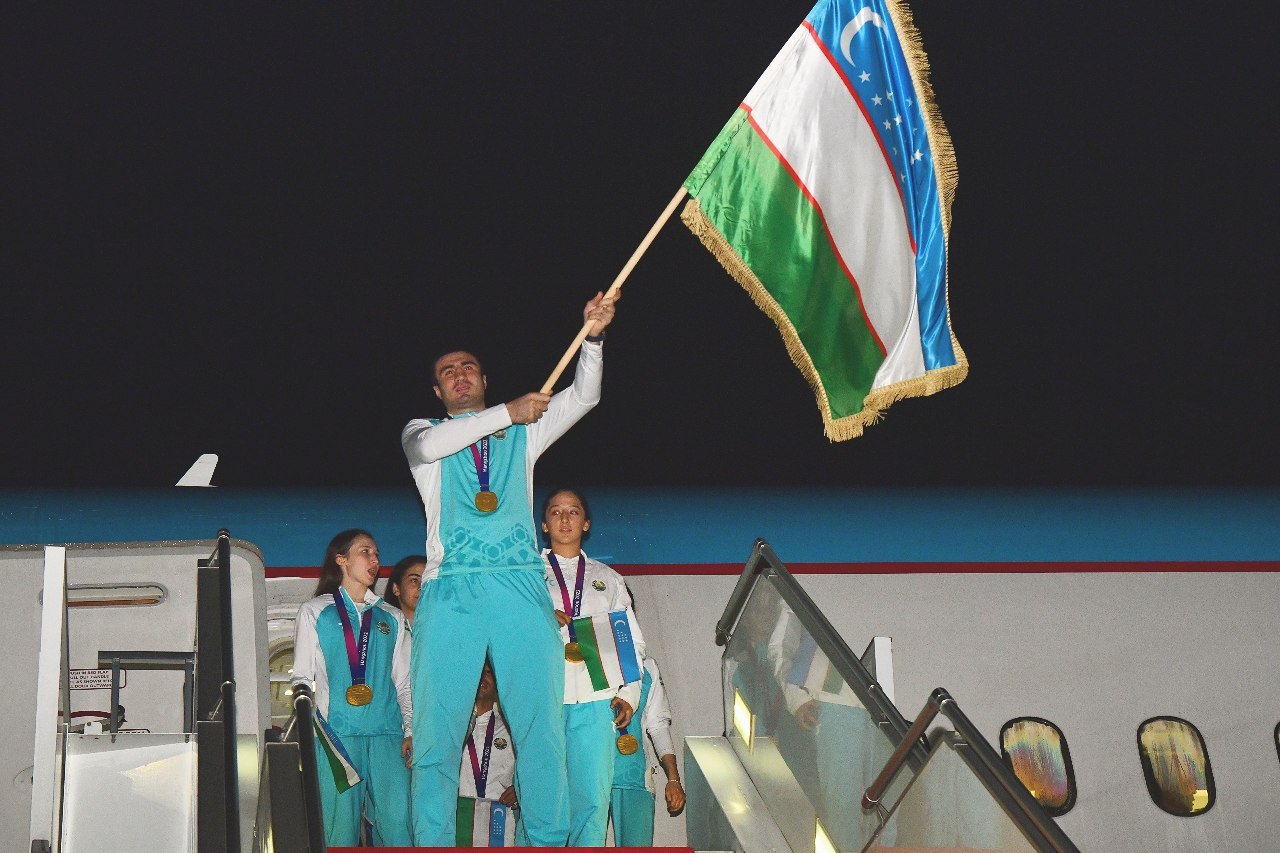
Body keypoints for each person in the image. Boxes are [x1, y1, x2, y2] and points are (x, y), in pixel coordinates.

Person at [401, 292, 618, 846]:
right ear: (438, 391)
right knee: (437, 734)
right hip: (451, 591)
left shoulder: (525, 431)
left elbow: (585, 396)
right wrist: (507, 413)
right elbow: (436, 444)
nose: (459, 375)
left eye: (468, 367)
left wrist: (592, 339)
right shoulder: (422, 432)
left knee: (540, 729)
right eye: (448, 372)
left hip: (520, 585)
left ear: (484, 378)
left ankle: (546, 841)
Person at [291, 529, 413, 846]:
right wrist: (307, 734)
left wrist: (411, 729)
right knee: (338, 832)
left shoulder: (392, 616)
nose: (375, 560)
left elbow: (404, 683)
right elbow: (301, 678)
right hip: (337, 737)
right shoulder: (315, 612)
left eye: (377, 554)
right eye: (365, 552)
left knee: (398, 826)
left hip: (388, 736)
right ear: (341, 559)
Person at [540, 487, 646, 845]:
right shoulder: (526, 577)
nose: (564, 519)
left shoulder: (609, 579)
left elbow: (632, 642)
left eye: (573, 511)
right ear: (544, 524)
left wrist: (629, 693)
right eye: (556, 511)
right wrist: (539, 619)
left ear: (586, 523)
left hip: (596, 699)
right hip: (542, 701)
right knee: (541, 803)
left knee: (592, 804)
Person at [610, 654, 686, 846]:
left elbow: (658, 726)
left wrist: (673, 780)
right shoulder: (582, 658)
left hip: (635, 778)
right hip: (588, 778)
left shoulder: (647, 667)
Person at [457, 661, 519, 843]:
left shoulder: (512, 727)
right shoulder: (452, 726)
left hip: (499, 822)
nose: (483, 676)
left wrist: (521, 790)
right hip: (457, 817)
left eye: (489, 672)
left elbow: (534, 768)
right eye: (478, 670)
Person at [383, 555, 426, 627]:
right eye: (414, 580)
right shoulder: (380, 627)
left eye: (427, 581)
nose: (422, 587)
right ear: (396, 588)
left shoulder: (444, 627)